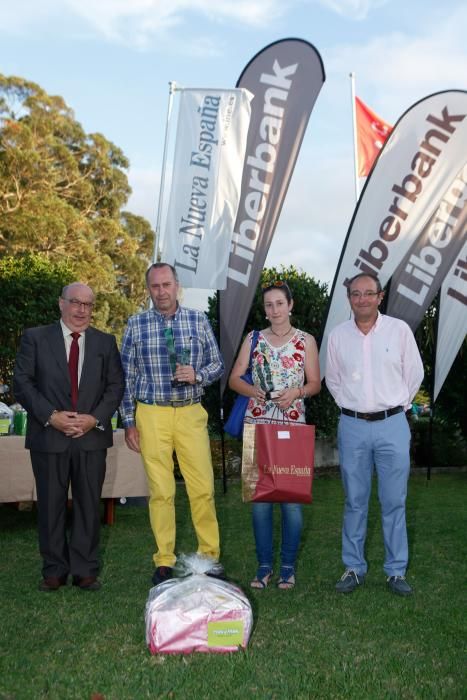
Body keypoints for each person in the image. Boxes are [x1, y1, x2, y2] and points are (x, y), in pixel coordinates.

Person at [13, 283, 124, 592]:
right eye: (75, 302)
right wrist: (51, 416)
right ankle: (54, 569)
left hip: (91, 438)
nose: (82, 310)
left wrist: (94, 419)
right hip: (49, 436)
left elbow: (115, 387)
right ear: (61, 304)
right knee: (50, 505)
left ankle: (85, 569)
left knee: (89, 505)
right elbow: (22, 383)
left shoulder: (105, 342)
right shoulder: (35, 338)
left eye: (88, 304)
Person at [120, 262, 225, 585]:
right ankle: (164, 559)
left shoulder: (197, 319)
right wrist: (128, 422)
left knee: (203, 488)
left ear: (177, 286)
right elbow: (125, 377)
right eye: (155, 286)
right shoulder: (135, 325)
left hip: (191, 412)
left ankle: (208, 556)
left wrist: (198, 375)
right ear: (148, 289)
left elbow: (218, 364)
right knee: (161, 492)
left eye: (166, 285)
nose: (161, 292)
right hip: (151, 414)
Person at [325, 272, 424, 597]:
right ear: (349, 298)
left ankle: (396, 571)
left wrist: (398, 406)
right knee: (355, 501)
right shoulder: (338, 336)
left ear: (380, 297)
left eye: (369, 293)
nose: (362, 299)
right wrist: (350, 406)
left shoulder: (399, 331)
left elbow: (415, 373)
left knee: (394, 501)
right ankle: (353, 567)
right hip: (352, 427)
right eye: (356, 294)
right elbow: (333, 379)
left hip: (392, 425)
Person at [229, 280, 321, 590]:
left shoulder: (306, 340)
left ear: (290, 305)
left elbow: (315, 384)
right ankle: (264, 566)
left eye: (280, 303)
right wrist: (253, 389)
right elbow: (234, 380)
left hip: (293, 428)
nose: (274, 309)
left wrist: (297, 391)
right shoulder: (253, 338)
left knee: (291, 504)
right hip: (259, 428)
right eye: (269, 305)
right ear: (264, 310)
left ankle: (288, 568)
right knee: (260, 503)